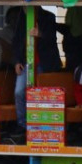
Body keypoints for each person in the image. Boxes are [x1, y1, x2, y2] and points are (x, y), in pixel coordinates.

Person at [11, 7, 68, 139]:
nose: (24, 8)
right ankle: (22, 125)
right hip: (26, 63)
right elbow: (16, 42)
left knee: (41, 95)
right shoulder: (21, 17)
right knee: (19, 92)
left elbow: (52, 39)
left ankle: (43, 126)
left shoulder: (48, 16)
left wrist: (40, 34)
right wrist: (16, 61)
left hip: (45, 63)